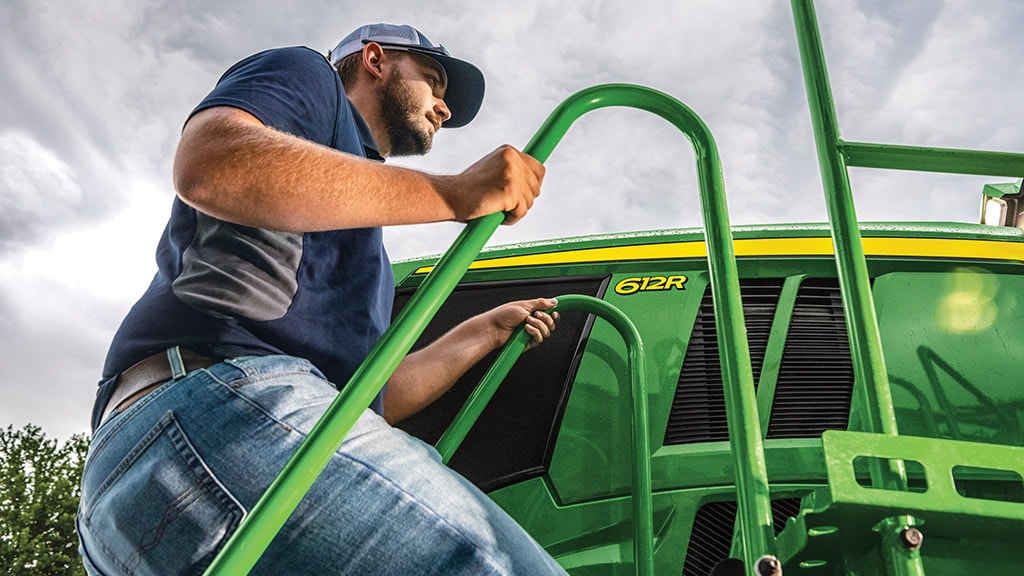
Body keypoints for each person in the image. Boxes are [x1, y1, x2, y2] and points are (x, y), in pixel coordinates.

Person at [77, 23, 568, 575]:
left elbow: (370, 394)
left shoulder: (367, 249)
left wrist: (482, 333)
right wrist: (452, 193)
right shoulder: (308, 76)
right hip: (216, 416)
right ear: (375, 60)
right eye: (432, 81)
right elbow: (213, 165)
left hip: (139, 500)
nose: (444, 109)